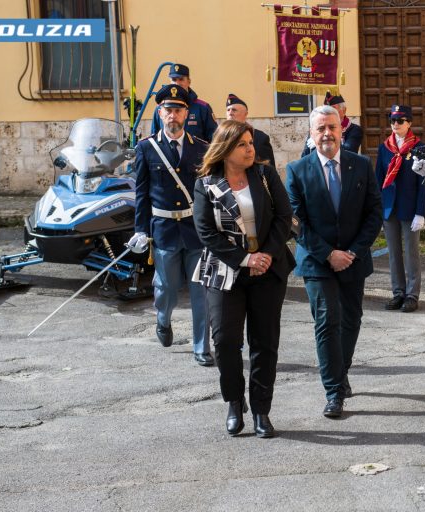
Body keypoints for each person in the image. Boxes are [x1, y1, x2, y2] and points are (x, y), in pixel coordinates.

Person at [192, 120, 294, 438]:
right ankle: (235, 402)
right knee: (224, 342)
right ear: (225, 149)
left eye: (251, 143)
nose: (251, 149)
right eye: (243, 145)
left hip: (267, 270)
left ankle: (261, 410)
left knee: (264, 344)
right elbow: (205, 231)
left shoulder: (264, 175)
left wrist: (265, 255)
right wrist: (244, 258)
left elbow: (283, 216)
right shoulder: (206, 183)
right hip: (224, 272)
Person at [286, 105, 382, 418]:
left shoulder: (361, 165)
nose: (327, 134)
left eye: (332, 127)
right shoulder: (297, 170)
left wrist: (352, 251)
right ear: (311, 135)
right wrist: (328, 253)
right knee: (327, 321)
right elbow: (296, 221)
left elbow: (374, 213)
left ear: (341, 129)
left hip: (354, 258)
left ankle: (341, 372)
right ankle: (334, 391)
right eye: (320, 129)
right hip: (316, 260)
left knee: (352, 320)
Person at [128, 84, 214, 366]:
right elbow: (142, 193)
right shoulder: (146, 149)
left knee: (200, 289)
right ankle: (162, 320)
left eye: (178, 110)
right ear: (160, 113)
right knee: (165, 288)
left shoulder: (201, 149)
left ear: (186, 113)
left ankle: (202, 346)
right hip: (164, 230)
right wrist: (141, 230)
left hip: (195, 230)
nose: (173, 116)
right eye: (168, 110)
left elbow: (208, 192)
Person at [375, 105, 425, 313]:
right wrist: (378, 208)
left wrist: (421, 212)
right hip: (389, 209)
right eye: (392, 121)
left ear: (410, 123)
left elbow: (424, 181)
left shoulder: (419, 148)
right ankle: (398, 292)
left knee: (411, 253)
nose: (395, 125)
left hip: (410, 208)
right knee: (394, 253)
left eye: (400, 121)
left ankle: (412, 295)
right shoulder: (384, 148)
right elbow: (378, 180)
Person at [151, 63, 217, 142]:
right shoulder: (160, 108)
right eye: (174, 79)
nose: (177, 83)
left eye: (181, 79)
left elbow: (214, 139)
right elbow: (154, 139)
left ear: (189, 82)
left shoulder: (203, 108)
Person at [301, 92, 363, 156]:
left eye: (333, 109)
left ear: (344, 110)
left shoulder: (354, 129)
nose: (328, 113)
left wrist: (319, 143)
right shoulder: (316, 129)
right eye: (326, 109)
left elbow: (349, 151)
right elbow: (305, 155)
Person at [225, 93, 275, 168]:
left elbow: (269, 170)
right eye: (228, 110)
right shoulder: (221, 137)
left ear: (245, 114)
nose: (230, 113)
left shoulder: (260, 138)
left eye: (234, 110)